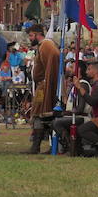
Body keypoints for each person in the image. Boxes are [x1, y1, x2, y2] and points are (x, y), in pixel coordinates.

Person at [27, 23, 60, 154]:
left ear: (37, 34)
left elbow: (54, 57)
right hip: (41, 86)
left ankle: (40, 146)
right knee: (38, 114)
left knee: (41, 114)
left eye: (31, 35)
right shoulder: (43, 46)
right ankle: (36, 146)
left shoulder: (46, 45)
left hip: (44, 86)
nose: (30, 38)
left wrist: (48, 81)